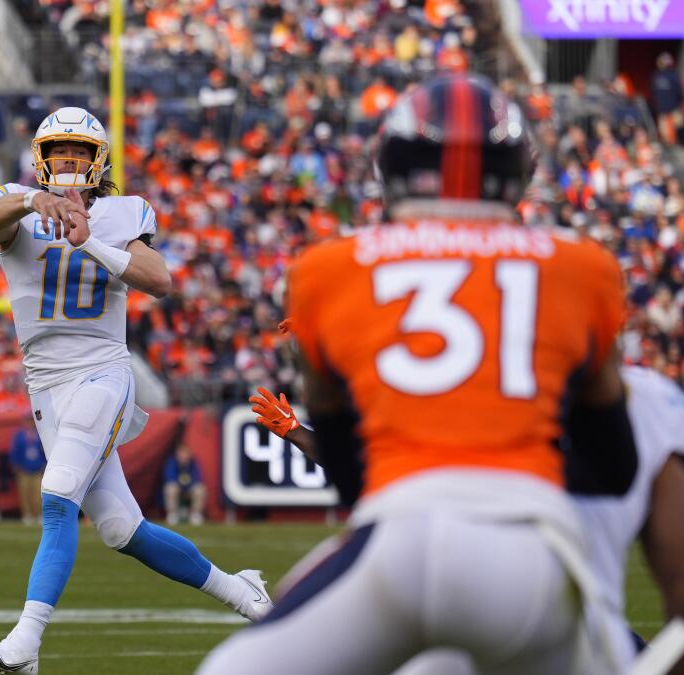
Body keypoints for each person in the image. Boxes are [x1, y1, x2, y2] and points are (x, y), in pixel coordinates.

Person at [198, 74, 638, 675]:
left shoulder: (328, 272)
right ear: (517, 170)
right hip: (528, 552)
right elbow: (614, 465)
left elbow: (355, 480)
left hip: (395, 545)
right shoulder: (582, 267)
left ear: (393, 165)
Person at [0, 106, 272, 674]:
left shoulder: (123, 211)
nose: (68, 162)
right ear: (41, 158)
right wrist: (38, 201)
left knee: (57, 496)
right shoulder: (16, 200)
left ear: (98, 160)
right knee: (121, 530)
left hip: (103, 372)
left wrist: (91, 243)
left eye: (79, 153)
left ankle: (26, 643)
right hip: (46, 386)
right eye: (59, 152)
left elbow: (160, 281)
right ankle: (243, 593)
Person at [250, 364, 684, 674]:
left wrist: (316, 377)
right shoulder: (650, 400)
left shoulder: (460, 390)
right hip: (575, 630)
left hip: (454, 613)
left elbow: (369, 473)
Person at [9, 413, 47, 526]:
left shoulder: (40, 434)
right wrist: (15, 464)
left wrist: (45, 464)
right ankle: (27, 515)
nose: (30, 423)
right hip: (24, 469)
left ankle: (39, 515)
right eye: (28, 421)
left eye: (31, 421)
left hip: (37, 468)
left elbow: (45, 450)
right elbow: (14, 451)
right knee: (25, 494)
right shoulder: (19, 435)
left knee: (38, 495)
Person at [163, 443, 206, 525]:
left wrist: (188, 486)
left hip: (190, 489)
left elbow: (198, 478)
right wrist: (181, 485)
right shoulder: (172, 462)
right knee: (170, 488)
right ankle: (172, 515)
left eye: (185, 455)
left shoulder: (194, 463)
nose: (183, 458)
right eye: (181, 455)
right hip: (177, 488)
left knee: (200, 489)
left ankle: (195, 515)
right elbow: (170, 477)